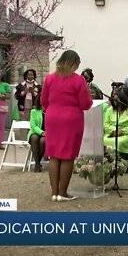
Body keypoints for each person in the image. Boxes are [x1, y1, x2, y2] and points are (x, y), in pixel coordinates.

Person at [41, 50, 93, 202]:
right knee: (67, 155)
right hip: (71, 119)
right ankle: (63, 193)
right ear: (73, 63)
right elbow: (85, 104)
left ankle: (54, 193)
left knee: (54, 155)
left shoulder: (49, 78)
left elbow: (44, 101)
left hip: (52, 117)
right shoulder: (78, 80)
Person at [103, 88, 128, 159]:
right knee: (103, 141)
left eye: (117, 99)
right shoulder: (110, 110)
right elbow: (106, 124)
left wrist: (122, 131)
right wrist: (115, 130)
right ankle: (107, 160)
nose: (115, 101)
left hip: (127, 134)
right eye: (114, 99)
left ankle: (119, 160)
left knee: (118, 142)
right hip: (112, 133)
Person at [27, 95, 46, 173]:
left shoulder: (51, 111)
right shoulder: (34, 111)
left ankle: (37, 162)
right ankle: (37, 164)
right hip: (35, 132)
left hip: (47, 134)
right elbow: (33, 126)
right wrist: (41, 132)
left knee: (42, 141)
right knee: (34, 137)